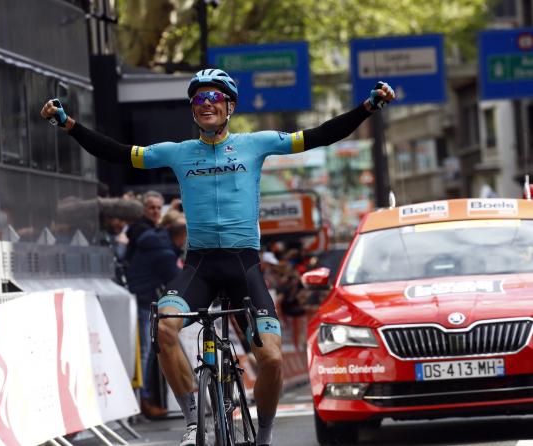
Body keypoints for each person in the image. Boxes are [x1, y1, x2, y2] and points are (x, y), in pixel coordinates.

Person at [41, 68, 395, 446]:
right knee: (164, 326)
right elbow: (116, 152)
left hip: (244, 266)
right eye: (198, 99)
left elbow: (319, 135)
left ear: (230, 106)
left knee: (272, 360)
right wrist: (69, 125)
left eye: (214, 98)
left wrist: (367, 108)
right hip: (200, 267)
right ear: (192, 110)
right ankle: (195, 422)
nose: (206, 104)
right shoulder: (178, 153)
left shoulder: (256, 144)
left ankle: (264, 435)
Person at [126, 210, 187, 419]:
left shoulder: (158, 245)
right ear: (181, 236)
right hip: (143, 300)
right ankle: (141, 401)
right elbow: (178, 280)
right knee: (144, 354)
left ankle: (143, 399)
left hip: (143, 299)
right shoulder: (164, 252)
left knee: (146, 353)